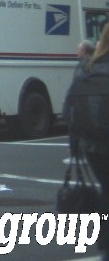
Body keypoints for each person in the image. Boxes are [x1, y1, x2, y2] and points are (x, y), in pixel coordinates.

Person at [66, 23, 109, 260]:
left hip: (93, 147)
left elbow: (69, 108)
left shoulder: (86, 67)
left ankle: (105, 244)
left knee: (106, 190)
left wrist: (75, 141)